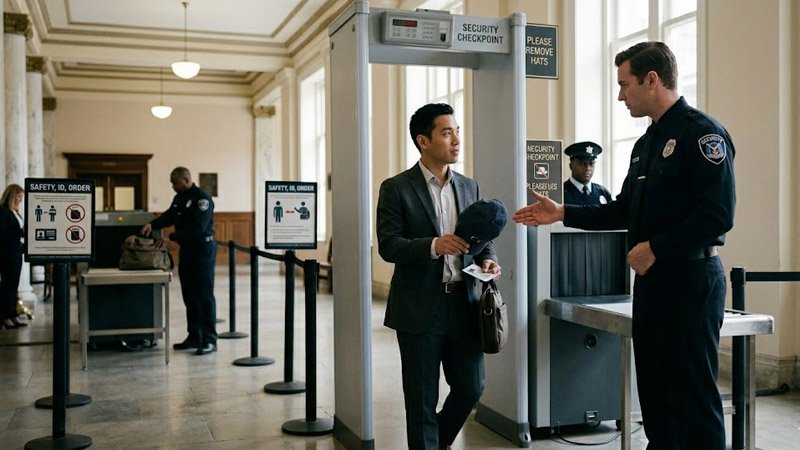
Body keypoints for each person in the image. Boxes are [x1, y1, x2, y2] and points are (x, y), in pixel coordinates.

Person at [513, 42, 735, 450]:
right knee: (654, 394)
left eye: (624, 84)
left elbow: (718, 215)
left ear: (652, 81)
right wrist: (564, 212)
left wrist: (657, 248)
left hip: (690, 279)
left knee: (692, 397)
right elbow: (623, 210)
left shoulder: (702, 135)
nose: (620, 95)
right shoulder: (646, 145)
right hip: (652, 284)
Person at [376, 103, 501, 450]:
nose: (457, 140)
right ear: (423, 141)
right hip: (419, 308)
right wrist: (434, 245)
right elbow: (389, 246)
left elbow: (482, 241)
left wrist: (489, 260)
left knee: (471, 387)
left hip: (465, 302)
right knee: (421, 399)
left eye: (457, 131)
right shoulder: (396, 188)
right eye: (447, 133)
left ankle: (439, 440)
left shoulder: (469, 187)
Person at [141, 167, 218, 355]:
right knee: (189, 293)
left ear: (186, 180)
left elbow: (198, 228)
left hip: (203, 250)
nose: (173, 187)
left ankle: (209, 340)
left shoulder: (203, 199)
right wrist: (153, 224)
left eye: (175, 183)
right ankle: (194, 336)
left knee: (204, 294)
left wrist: (171, 237)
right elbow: (170, 215)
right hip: (188, 250)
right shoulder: (180, 198)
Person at [0, 184, 27, 329]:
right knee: (8, 285)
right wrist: (20, 232)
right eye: (19, 197)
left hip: (16, 252)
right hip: (7, 254)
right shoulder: (3, 212)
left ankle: (12, 315)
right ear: (12, 195)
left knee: (13, 285)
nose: (20, 200)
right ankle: (5, 317)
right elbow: (2, 233)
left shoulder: (14, 212)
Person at [562, 141, 613, 206]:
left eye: (591, 164)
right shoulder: (561, 193)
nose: (588, 168)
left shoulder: (603, 193)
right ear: (571, 166)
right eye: (582, 163)